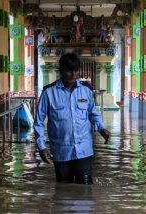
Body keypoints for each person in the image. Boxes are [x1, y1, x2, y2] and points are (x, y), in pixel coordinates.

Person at [34, 53, 110, 184]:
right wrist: (41, 146)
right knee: (63, 189)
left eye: (76, 70)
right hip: (61, 151)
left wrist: (101, 128)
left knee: (85, 188)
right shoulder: (49, 92)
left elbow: (93, 113)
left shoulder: (86, 90)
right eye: (69, 70)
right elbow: (39, 122)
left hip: (84, 150)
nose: (74, 74)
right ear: (61, 71)